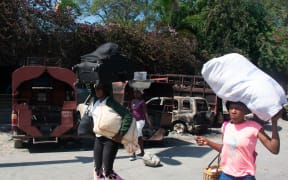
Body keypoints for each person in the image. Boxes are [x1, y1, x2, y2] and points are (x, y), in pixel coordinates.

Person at [195, 101, 283, 180]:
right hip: (226, 175)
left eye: (237, 108)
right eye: (231, 108)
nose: (233, 111)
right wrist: (208, 142)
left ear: (245, 111)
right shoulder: (226, 126)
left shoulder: (254, 127)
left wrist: (274, 123)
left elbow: (274, 149)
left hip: (246, 176)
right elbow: (225, 149)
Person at [91, 82, 133, 180]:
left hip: (110, 140)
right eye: (95, 88)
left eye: (99, 88)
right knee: (97, 169)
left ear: (105, 89)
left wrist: (121, 134)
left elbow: (127, 116)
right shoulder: (96, 101)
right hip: (98, 138)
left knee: (108, 171)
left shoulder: (110, 102)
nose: (97, 90)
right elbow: (91, 88)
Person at [129, 89, 152, 161]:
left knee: (134, 136)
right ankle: (142, 152)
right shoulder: (132, 101)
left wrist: (149, 123)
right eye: (135, 93)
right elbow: (131, 111)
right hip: (133, 121)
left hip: (140, 121)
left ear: (140, 94)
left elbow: (145, 113)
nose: (136, 94)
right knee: (139, 137)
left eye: (137, 93)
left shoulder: (142, 102)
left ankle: (133, 155)